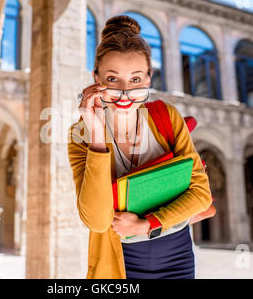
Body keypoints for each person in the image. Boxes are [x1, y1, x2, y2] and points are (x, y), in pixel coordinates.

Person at [67, 15, 213, 279]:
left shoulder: (166, 116)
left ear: (148, 79)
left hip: (177, 254)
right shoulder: (80, 134)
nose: (124, 91)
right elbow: (97, 221)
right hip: (120, 261)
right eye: (112, 79)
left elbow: (201, 195)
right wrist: (97, 138)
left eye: (135, 80)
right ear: (96, 78)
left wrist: (147, 224)